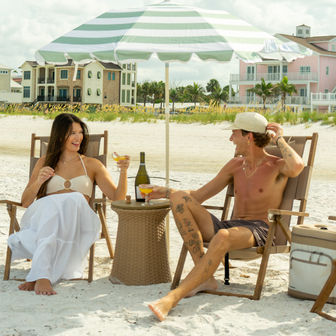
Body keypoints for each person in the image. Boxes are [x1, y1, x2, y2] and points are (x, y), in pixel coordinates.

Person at [147, 112, 304, 321]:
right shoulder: (235, 165)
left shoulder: (276, 166)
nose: (231, 139)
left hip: (260, 229)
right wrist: (167, 192)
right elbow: (200, 195)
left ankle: (172, 298)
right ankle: (206, 278)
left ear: (248, 137)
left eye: (234, 134)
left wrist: (279, 139)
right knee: (179, 198)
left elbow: (297, 166)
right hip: (229, 226)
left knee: (222, 236)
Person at [8, 113, 130, 296]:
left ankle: (39, 275)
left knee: (73, 199)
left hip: (76, 221)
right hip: (46, 218)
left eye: (80, 132)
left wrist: (123, 172)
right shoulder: (44, 162)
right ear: (59, 135)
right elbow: (26, 202)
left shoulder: (92, 165)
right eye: (72, 132)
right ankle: (41, 275)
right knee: (51, 206)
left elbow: (117, 198)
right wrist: (39, 181)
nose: (78, 137)